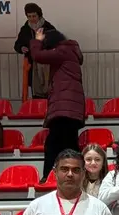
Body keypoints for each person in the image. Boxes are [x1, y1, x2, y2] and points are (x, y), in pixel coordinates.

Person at [31, 28, 86, 181]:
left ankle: (48, 177)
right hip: (72, 108)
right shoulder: (70, 52)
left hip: (64, 108)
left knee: (53, 144)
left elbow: (38, 56)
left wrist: (37, 41)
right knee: (69, 144)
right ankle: (75, 176)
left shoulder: (63, 51)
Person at [14, 3, 54, 99]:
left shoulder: (48, 28)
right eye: (29, 16)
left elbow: (55, 43)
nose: (32, 18)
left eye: (34, 16)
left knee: (50, 91)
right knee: (35, 92)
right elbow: (17, 44)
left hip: (47, 65)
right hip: (32, 65)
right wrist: (21, 48)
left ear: (39, 15)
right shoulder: (25, 29)